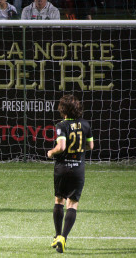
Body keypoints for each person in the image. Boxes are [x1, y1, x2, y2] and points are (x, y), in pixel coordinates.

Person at [47, 94, 94, 254]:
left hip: (62, 168)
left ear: (63, 109)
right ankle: (63, 238)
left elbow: (61, 147)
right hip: (77, 170)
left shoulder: (61, 125)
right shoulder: (86, 125)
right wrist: (78, 149)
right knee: (72, 204)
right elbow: (91, 146)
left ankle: (57, 235)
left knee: (59, 201)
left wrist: (51, 152)